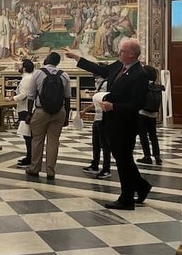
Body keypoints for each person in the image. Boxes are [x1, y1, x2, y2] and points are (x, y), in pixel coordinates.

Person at [65, 38, 151, 210]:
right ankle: (141, 187)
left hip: (126, 123)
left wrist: (114, 106)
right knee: (123, 159)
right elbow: (99, 69)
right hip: (112, 122)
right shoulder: (118, 66)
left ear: (132, 54)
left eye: (122, 51)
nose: (118, 53)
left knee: (123, 161)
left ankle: (126, 199)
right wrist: (77, 58)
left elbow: (138, 103)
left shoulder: (139, 74)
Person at [25, 52, 71, 180]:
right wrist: (66, 116)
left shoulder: (38, 73)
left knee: (37, 140)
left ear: (47, 59)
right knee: (53, 142)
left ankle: (34, 169)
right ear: (57, 62)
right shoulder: (64, 75)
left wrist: (29, 113)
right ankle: (51, 171)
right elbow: (67, 98)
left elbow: (31, 96)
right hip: (59, 112)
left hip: (41, 111)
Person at [82, 72, 112, 179]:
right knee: (96, 143)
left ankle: (106, 168)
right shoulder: (99, 84)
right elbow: (96, 103)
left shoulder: (106, 84)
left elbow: (103, 100)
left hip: (104, 118)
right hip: (97, 118)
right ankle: (94, 164)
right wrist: (85, 110)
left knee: (105, 145)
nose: (95, 80)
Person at [6, 59, 34, 168]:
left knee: (27, 135)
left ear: (25, 68)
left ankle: (30, 157)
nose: (19, 67)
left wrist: (12, 98)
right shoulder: (29, 78)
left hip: (25, 109)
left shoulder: (26, 79)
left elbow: (24, 95)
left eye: (21, 65)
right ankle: (30, 156)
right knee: (28, 135)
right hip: (26, 108)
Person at [136, 65, 163, 165]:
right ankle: (157, 157)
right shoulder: (157, 87)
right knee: (153, 136)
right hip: (153, 114)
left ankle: (147, 156)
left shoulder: (142, 86)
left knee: (143, 136)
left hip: (142, 113)